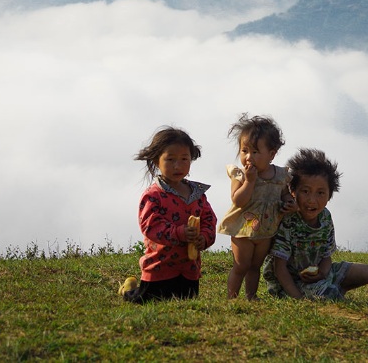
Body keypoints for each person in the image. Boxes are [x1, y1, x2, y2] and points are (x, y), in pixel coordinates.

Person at [262, 148, 368, 299]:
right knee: (329, 294)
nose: (312, 200)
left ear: (329, 195)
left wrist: (321, 273)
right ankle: (326, 291)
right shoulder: (289, 220)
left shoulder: (325, 217)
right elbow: (279, 268)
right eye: (305, 191)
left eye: (320, 193)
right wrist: (298, 298)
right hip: (290, 283)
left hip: (317, 274)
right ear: (293, 191)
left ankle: (330, 288)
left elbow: (326, 256)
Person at [121, 126, 217, 304]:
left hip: (189, 269)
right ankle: (129, 288)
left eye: (184, 159)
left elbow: (209, 220)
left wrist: (204, 238)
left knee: (186, 301)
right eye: (170, 159)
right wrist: (179, 233)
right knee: (143, 301)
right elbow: (151, 226)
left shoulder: (197, 194)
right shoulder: (153, 195)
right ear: (157, 161)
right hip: (159, 268)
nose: (177, 166)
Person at [218, 114, 296, 299]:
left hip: (266, 229)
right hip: (243, 229)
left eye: (255, 152)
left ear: (272, 154)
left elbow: (284, 192)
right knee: (241, 265)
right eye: (244, 151)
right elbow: (238, 200)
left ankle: (251, 296)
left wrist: (289, 201)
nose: (248, 157)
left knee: (255, 266)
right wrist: (249, 182)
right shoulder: (241, 175)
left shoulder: (280, 175)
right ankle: (232, 297)